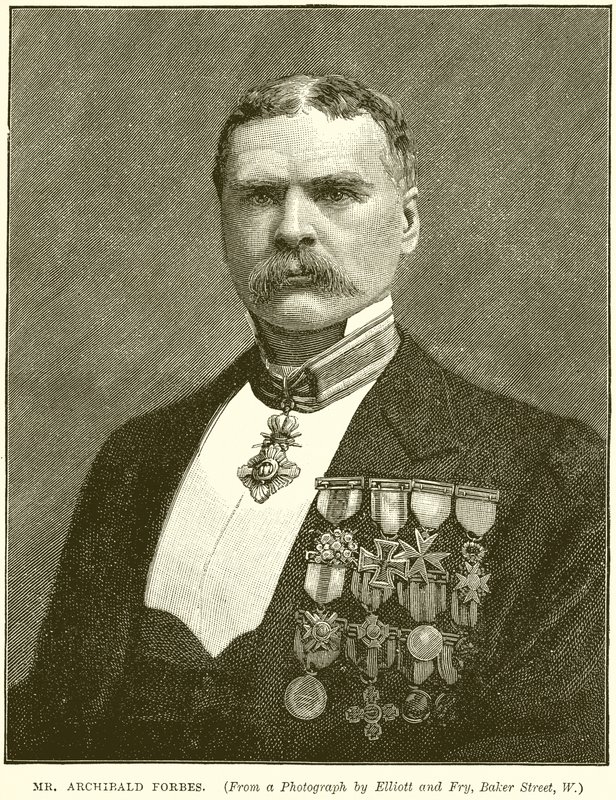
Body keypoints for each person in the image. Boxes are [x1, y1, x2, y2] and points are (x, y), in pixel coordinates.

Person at [9, 74, 605, 763]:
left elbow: (548, 754)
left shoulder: (545, 472)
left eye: (336, 193)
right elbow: (51, 724)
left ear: (408, 222)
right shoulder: (139, 458)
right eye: (260, 196)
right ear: (224, 222)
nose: (292, 229)